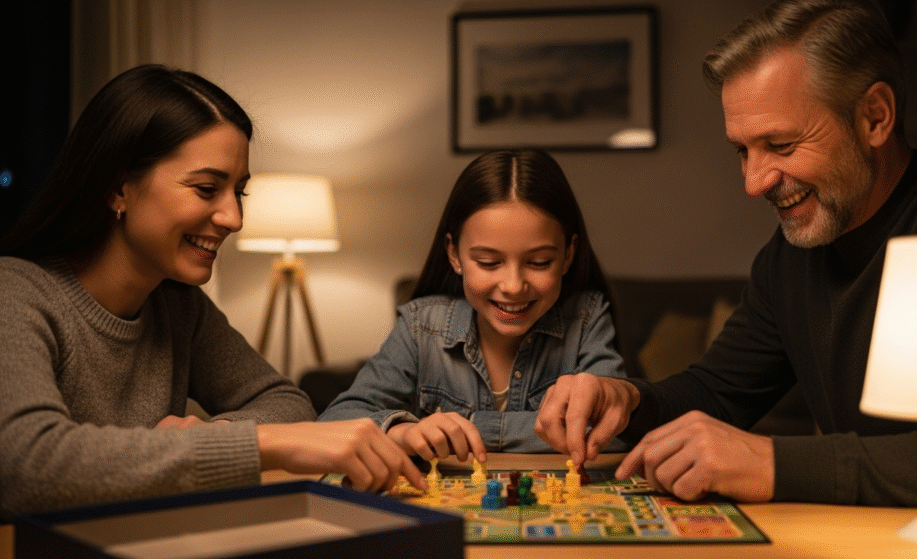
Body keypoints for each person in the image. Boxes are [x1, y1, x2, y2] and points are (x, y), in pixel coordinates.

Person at [534, 0, 917, 507]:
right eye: (743, 150)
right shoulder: (791, 257)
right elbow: (719, 392)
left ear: (875, 117)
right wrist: (627, 399)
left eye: (782, 145)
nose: (754, 182)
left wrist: (772, 463)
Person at [0, 64, 422, 521]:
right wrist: (248, 444)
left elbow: (287, 402)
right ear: (117, 187)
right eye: (206, 188)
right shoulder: (15, 292)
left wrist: (209, 438)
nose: (233, 219)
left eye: (238, 192)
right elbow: (27, 465)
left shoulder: (177, 303)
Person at [319, 149, 627, 460]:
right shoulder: (420, 326)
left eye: (539, 262)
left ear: (568, 255)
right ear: (454, 255)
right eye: (489, 262)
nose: (513, 286)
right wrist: (403, 432)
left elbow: (613, 428)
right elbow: (336, 420)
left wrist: (474, 427)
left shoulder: (587, 317)